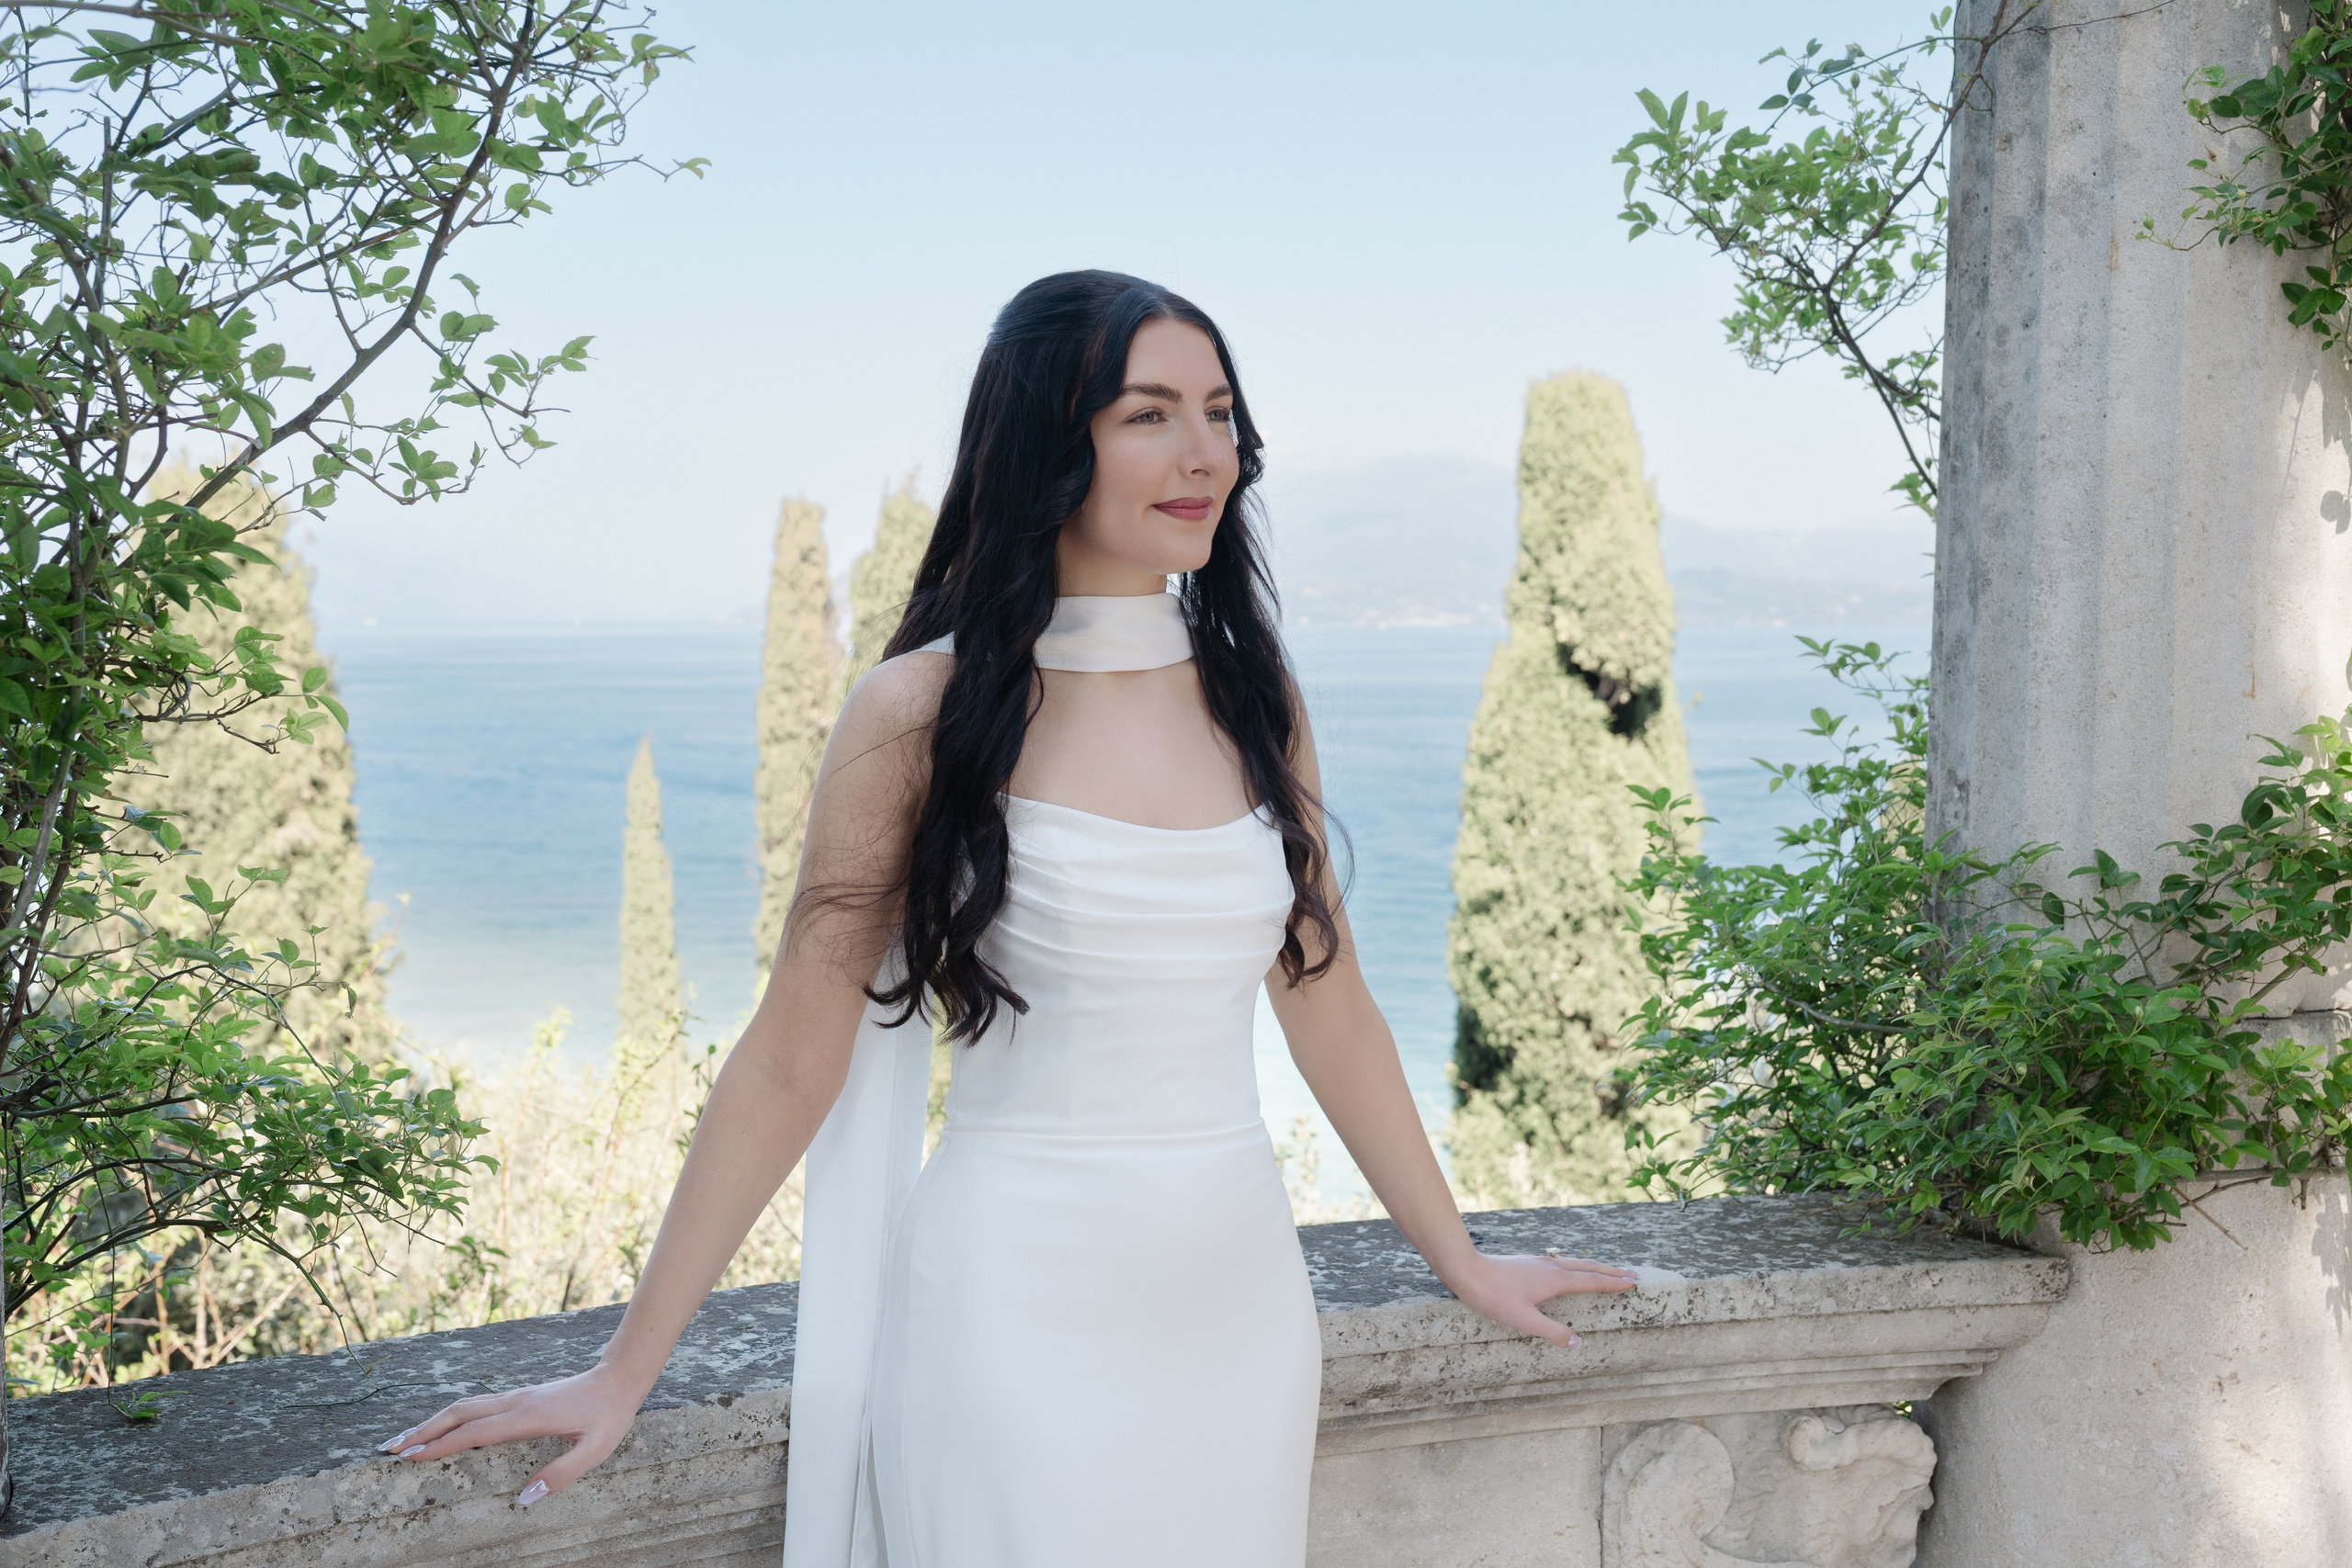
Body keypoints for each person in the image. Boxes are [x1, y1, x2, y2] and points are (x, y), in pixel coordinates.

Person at [380, 270, 1638, 1566]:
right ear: (1050, 442)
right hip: (1011, 1313)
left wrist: (1463, 1257)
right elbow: (791, 1057)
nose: (1205, 451)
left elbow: (1328, 1000)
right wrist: (623, 1368)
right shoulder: (917, 712)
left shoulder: (1254, 696)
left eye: (1219, 412)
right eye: (1149, 414)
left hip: (1239, 1311)